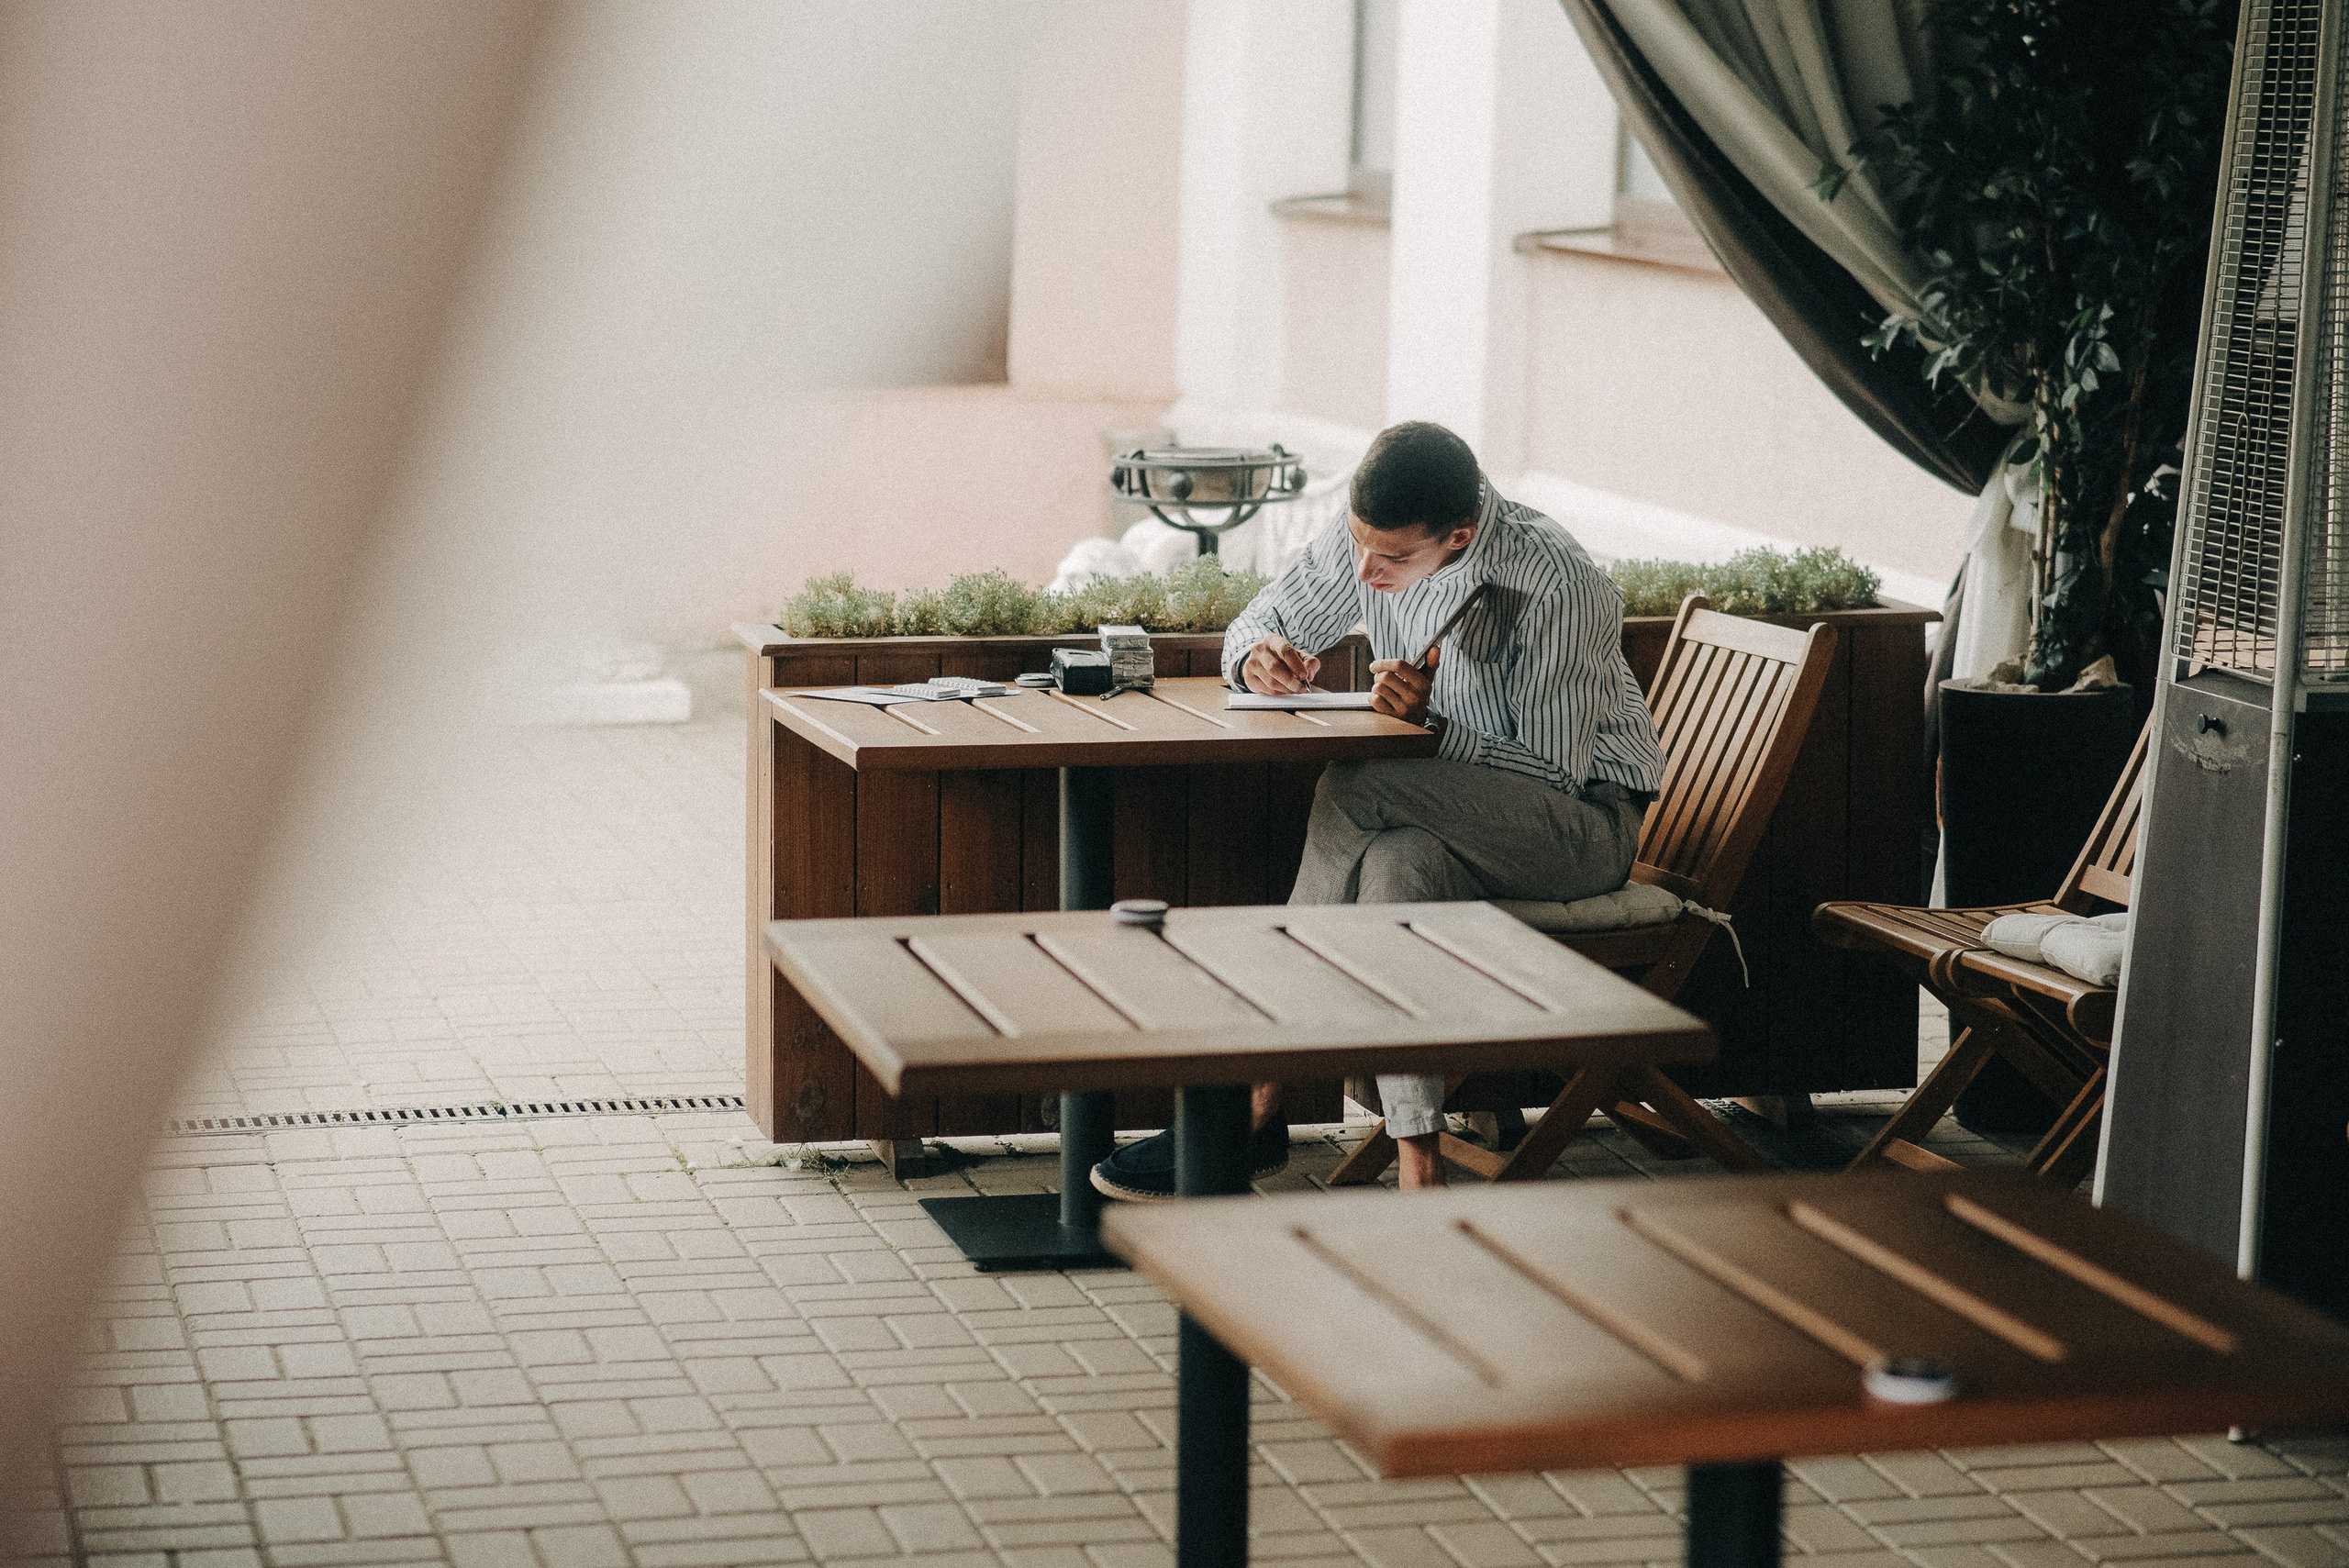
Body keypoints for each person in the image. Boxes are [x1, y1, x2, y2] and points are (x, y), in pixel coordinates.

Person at [1091, 420, 1665, 1199]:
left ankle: (1257, 1097)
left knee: (1358, 779)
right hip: (1455, 827)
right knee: (1400, 866)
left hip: (1582, 829)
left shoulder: (1556, 582)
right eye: (1361, 546)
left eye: (1391, 558)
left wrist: (1434, 729)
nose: (1367, 569)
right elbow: (1260, 620)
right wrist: (1257, 656)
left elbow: (1553, 779)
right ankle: (1418, 1166)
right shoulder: (1374, 535)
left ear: (1459, 536)